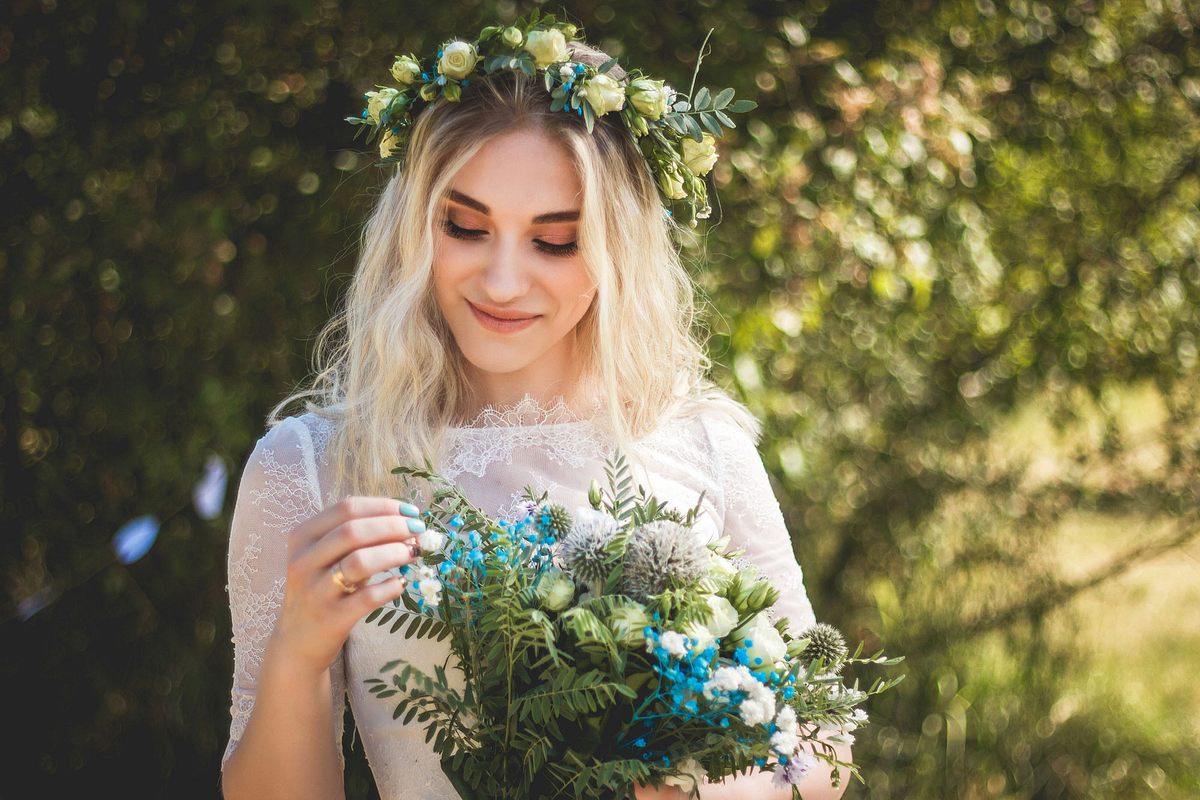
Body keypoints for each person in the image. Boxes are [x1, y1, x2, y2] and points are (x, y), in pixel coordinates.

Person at [219, 18, 851, 800]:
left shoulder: (703, 446)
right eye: (466, 227)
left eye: (555, 241)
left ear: (617, 250)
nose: (504, 281)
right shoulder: (311, 467)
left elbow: (822, 748)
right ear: (415, 228)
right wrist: (299, 654)